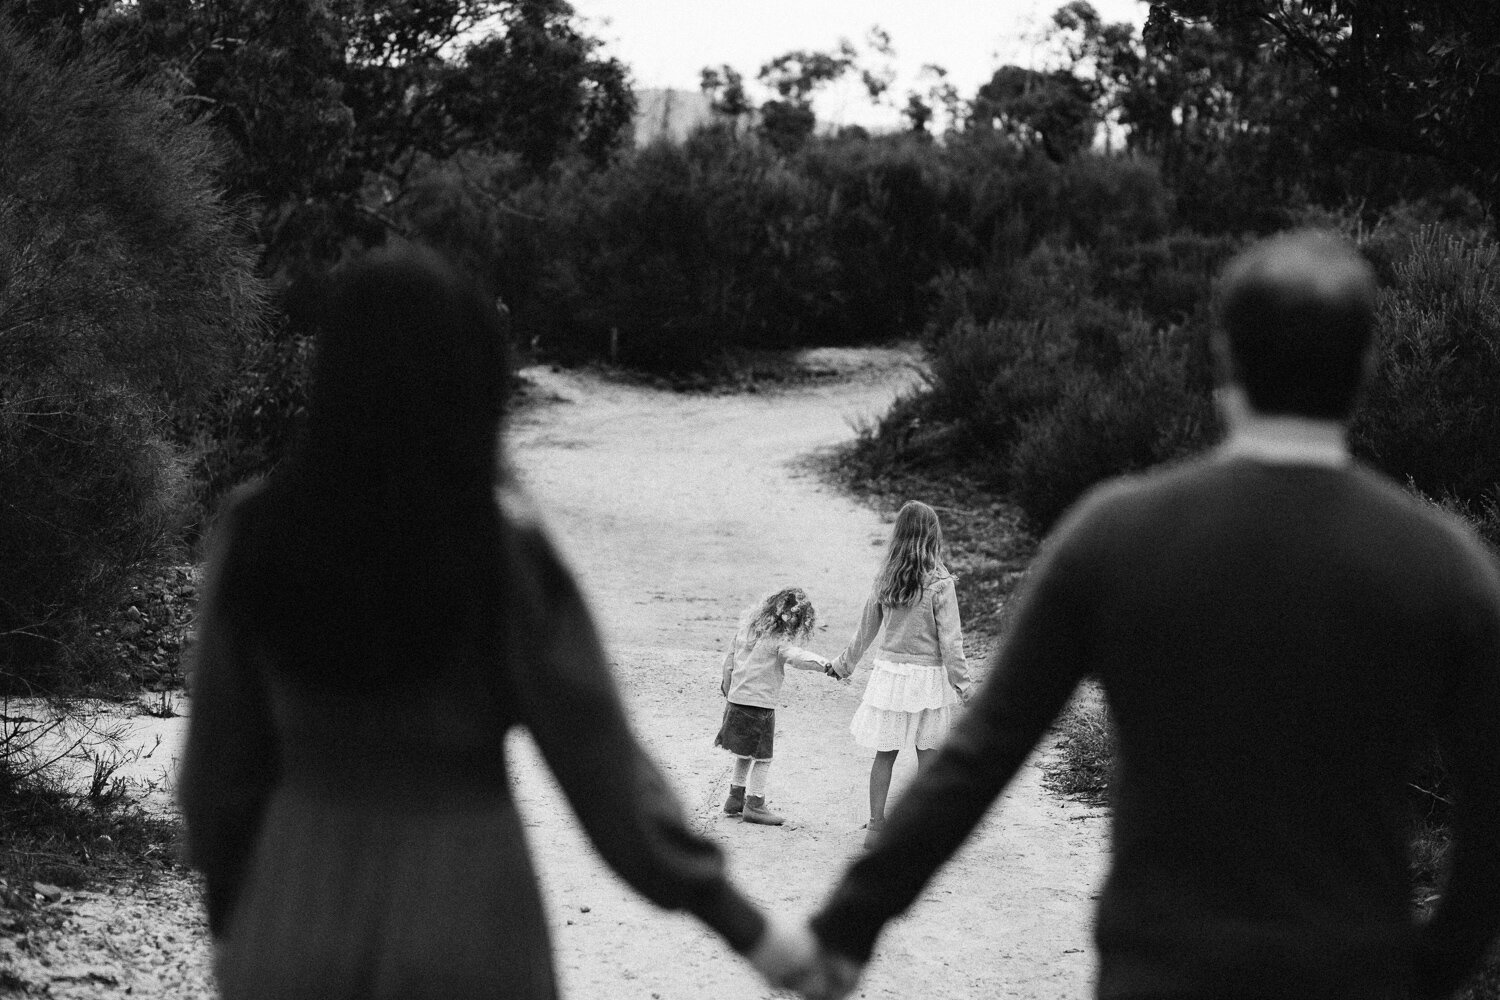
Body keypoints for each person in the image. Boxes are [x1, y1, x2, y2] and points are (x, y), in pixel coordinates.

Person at [798, 230, 1500, 1000]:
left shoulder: (1117, 536)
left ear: (1225, 356)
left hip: (1161, 972)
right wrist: (1435, 968)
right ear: (1365, 366)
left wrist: (846, 929)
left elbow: (978, 759)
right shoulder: (1445, 566)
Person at [178, 244, 813, 999]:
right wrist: (751, 931)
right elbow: (606, 776)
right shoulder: (501, 549)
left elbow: (213, 778)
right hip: (467, 911)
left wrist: (243, 923)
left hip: (297, 905)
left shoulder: (254, 534)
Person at [827, 500, 972, 849]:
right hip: (928, 679)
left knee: (885, 754)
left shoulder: (886, 578)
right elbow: (951, 641)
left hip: (891, 677)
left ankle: (876, 827)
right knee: (929, 753)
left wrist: (843, 665)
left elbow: (865, 631)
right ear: (932, 536)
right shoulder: (940, 581)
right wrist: (965, 687)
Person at [716, 586, 835, 826]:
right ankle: (755, 804)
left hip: (736, 700)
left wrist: (728, 688)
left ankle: (734, 797)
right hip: (759, 706)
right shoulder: (779, 641)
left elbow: (729, 661)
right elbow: (798, 657)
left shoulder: (746, 630)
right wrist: (826, 665)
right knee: (762, 757)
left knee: (744, 753)